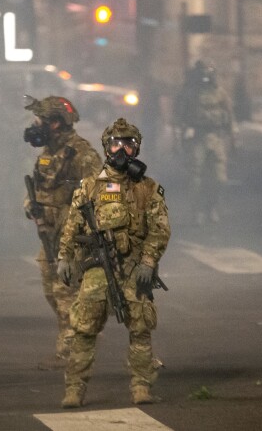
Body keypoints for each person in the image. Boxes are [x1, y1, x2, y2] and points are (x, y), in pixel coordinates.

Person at [57, 118, 171, 408]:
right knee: (84, 328)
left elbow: (159, 229)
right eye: (116, 143)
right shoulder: (90, 187)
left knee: (140, 328)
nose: (123, 149)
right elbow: (72, 225)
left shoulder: (148, 188)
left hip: (133, 267)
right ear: (107, 148)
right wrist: (65, 257)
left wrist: (148, 261)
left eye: (129, 144)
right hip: (97, 268)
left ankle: (141, 386)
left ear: (137, 148)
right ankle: (74, 389)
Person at [22, 97, 102, 369]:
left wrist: (79, 225)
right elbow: (40, 186)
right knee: (51, 291)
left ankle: (70, 352)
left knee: (64, 290)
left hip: (72, 236)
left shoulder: (82, 153)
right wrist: (31, 205)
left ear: (55, 123)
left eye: (40, 121)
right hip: (49, 234)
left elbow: (98, 195)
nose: (36, 126)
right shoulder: (48, 152)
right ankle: (77, 337)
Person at [173, 60, 233, 225]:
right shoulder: (188, 94)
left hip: (216, 137)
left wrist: (233, 138)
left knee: (220, 178)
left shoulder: (220, 93)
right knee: (196, 179)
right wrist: (177, 140)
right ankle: (197, 211)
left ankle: (212, 207)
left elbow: (229, 116)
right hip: (196, 137)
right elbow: (178, 118)